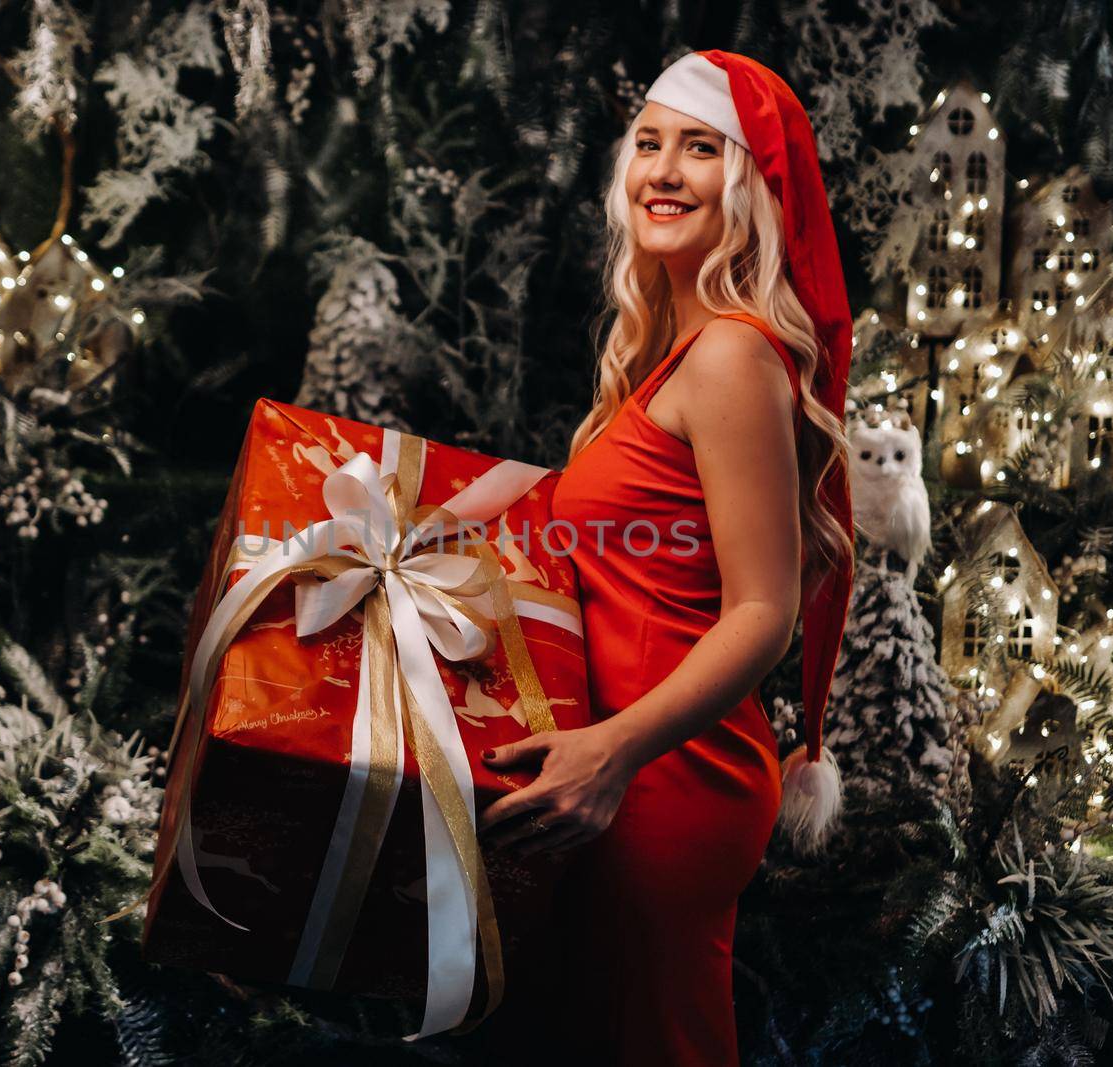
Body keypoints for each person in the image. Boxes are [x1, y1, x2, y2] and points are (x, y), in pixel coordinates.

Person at [473, 50, 857, 1064]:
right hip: (613, 772)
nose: (663, 170)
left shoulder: (731, 355)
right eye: (648, 144)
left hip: (659, 777)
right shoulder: (670, 358)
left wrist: (615, 748)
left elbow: (761, 610)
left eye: (699, 148)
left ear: (752, 188)